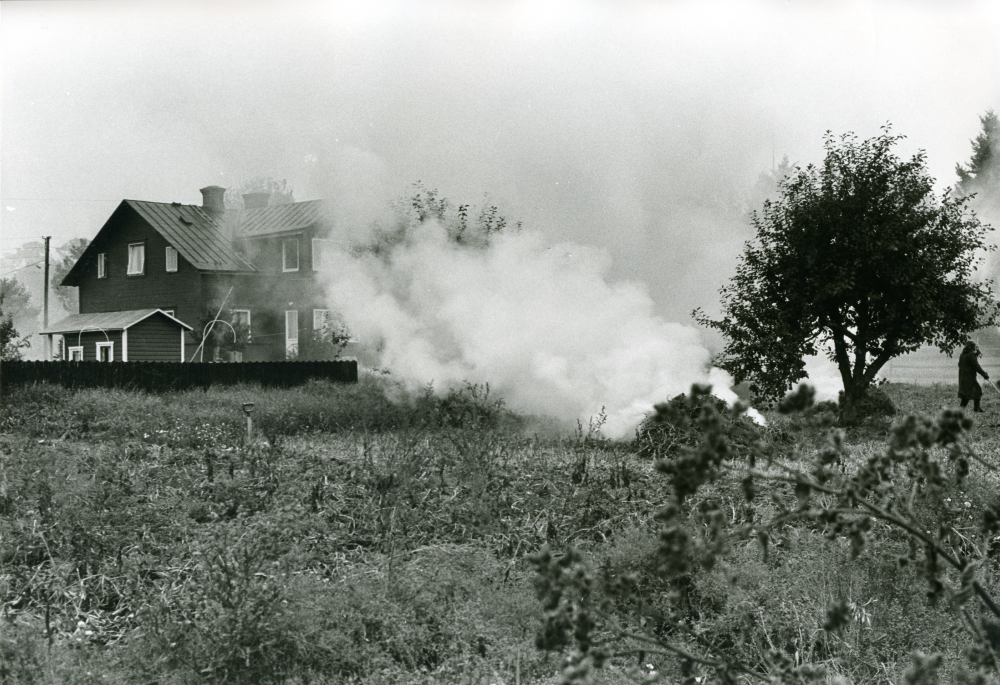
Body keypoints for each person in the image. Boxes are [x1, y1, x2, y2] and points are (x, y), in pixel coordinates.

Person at [958, 341, 990, 412]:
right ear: (972, 347)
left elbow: (960, 364)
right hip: (970, 378)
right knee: (975, 393)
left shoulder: (962, 354)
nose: (975, 348)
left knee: (968, 394)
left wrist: (975, 355)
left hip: (963, 377)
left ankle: (977, 409)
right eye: (974, 347)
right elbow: (976, 366)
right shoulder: (971, 354)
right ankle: (975, 409)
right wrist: (984, 374)